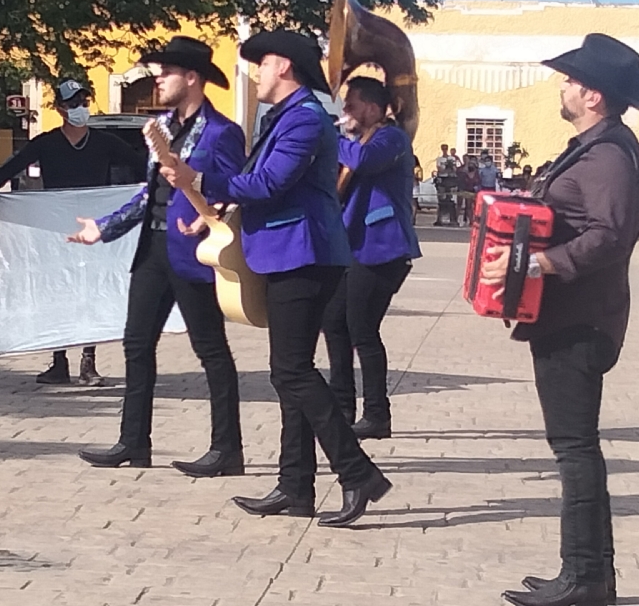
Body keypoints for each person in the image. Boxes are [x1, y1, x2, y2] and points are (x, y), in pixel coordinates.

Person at [158, 30, 391, 528]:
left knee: (291, 372)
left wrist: (198, 180)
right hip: (288, 254)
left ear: (283, 66)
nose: (256, 74)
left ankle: (357, 473)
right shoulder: (284, 118)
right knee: (292, 372)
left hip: (304, 255)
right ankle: (295, 486)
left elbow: (269, 183)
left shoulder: (305, 119)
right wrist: (214, 208)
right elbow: (253, 184)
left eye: (261, 65)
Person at [479, 33, 639, 606]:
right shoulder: (594, 147)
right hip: (565, 316)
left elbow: (609, 234)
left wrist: (540, 261)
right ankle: (590, 573)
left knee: (575, 449)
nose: (563, 86)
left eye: (571, 80)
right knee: (574, 447)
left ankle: (582, 576)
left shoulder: (607, 156)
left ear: (594, 95)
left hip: (581, 319)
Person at [68, 37, 246, 476]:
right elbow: (151, 193)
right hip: (153, 248)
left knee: (210, 349)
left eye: (166, 72)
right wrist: (104, 228)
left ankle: (228, 448)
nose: (158, 78)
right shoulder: (161, 128)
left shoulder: (223, 132)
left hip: (194, 252)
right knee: (136, 344)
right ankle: (133, 441)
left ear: (192, 78)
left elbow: (236, 190)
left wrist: (210, 207)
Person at [0, 78, 145, 385]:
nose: (80, 109)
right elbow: (9, 169)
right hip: (55, 233)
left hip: (92, 230)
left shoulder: (104, 143)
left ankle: (88, 363)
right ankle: (58, 361)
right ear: (61, 109)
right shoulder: (47, 143)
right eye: (73, 103)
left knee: (91, 292)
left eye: (83, 102)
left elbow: (142, 165)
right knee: (59, 292)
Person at [321, 76, 422, 438]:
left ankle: (377, 414)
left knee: (363, 328)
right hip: (350, 245)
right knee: (334, 322)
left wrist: (330, 135)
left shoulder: (391, 138)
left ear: (374, 108)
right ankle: (342, 403)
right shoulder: (354, 140)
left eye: (351, 104)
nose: (344, 110)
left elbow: (363, 160)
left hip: (382, 246)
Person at [433, 144, 459, 226]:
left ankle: (452, 219)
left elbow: (455, 169)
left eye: (446, 148)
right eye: (443, 149)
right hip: (442, 180)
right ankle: (439, 219)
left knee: (451, 201)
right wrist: (446, 168)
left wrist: (450, 166)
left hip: (450, 180)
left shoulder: (452, 158)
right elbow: (440, 170)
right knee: (441, 200)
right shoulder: (439, 159)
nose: (444, 150)